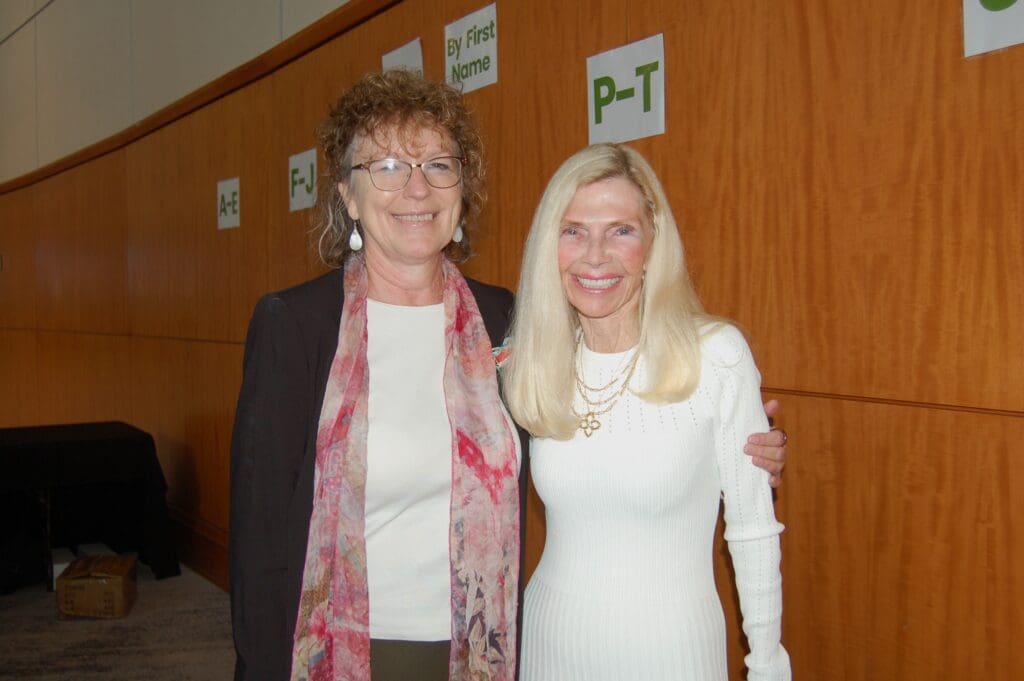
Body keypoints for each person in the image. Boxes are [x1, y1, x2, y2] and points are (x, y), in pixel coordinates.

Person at [229, 70, 788, 681]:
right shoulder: (298, 325)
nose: (417, 188)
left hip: (483, 648)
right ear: (348, 196)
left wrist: (739, 445)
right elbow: (258, 543)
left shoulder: (505, 324)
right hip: (342, 648)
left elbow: (621, 419)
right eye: (387, 167)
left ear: (461, 191)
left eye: (438, 165)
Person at [503, 144, 791, 681]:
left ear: (653, 238)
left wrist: (768, 665)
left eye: (620, 230)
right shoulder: (531, 362)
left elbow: (752, 531)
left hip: (672, 653)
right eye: (573, 231)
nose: (594, 256)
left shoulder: (717, 355)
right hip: (549, 647)